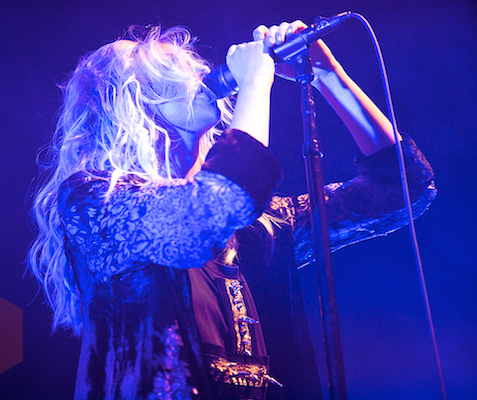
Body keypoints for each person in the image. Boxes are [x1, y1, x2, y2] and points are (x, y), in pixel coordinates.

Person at [28, 21, 436, 400]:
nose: (198, 76)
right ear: (130, 100)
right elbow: (216, 205)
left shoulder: (259, 227)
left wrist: (331, 79)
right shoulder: (93, 199)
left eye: (194, 68)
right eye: (172, 71)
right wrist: (257, 82)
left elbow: (402, 190)